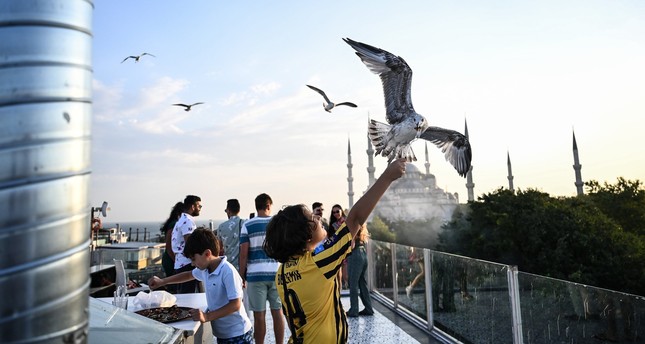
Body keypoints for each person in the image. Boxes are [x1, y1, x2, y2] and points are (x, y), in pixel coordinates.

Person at [263, 159, 406, 343]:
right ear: (306, 236)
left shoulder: (282, 272)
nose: (317, 217)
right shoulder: (318, 263)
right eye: (311, 217)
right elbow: (354, 220)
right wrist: (387, 176)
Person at [148, 228, 253, 343]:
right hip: (223, 335)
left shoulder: (227, 271)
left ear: (207, 253)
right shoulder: (206, 270)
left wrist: (207, 317)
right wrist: (162, 281)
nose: (193, 264)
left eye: (194, 259)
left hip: (238, 334)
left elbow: (235, 304)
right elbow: (188, 275)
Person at [239, 193, 284, 344]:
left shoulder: (247, 225)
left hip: (255, 276)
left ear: (256, 206)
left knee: (259, 317)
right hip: (276, 274)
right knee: (278, 312)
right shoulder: (277, 223)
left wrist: (241, 276)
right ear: (269, 206)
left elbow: (243, 255)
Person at [172, 195, 202, 294]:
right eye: (199, 206)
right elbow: (189, 243)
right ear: (193, 207)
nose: (200, 209)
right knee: (189, 297)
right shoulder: (187, 221)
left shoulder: (181, 220)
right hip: (187, 264)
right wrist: (196, 261)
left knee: (183, 296)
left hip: (180, 263)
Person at [345, 224, 373, 317]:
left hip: (355, 254)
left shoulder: (354, 227)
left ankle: (354, 310)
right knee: (362, 282)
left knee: (353, 283)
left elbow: (352, 245)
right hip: (363, 253)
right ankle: (368, 308)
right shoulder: (362, 226)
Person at [160, 201, 184, 293]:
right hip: (170, 260)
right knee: (174, 287)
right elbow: (169, 247)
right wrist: (176, 262)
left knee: (174, 286)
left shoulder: (174, 223)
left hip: (170, 259)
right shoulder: (174, 224)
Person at [217, 199, 245, 271]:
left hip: (227, 266)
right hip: (241, 266)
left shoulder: (221, 227)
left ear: (228, 211)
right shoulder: (244, 224)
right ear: (238, 210)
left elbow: (219, 249)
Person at [329, 204, 349, 289]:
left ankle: (348, 288)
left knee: (345, 275)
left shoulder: (347, 221)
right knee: (338, 275)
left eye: (337, 211)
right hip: (337, 250)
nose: (336, 214)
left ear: (341, 211)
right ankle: (338, 295)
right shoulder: (333, 225)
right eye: (334, 212)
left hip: (346, 249)